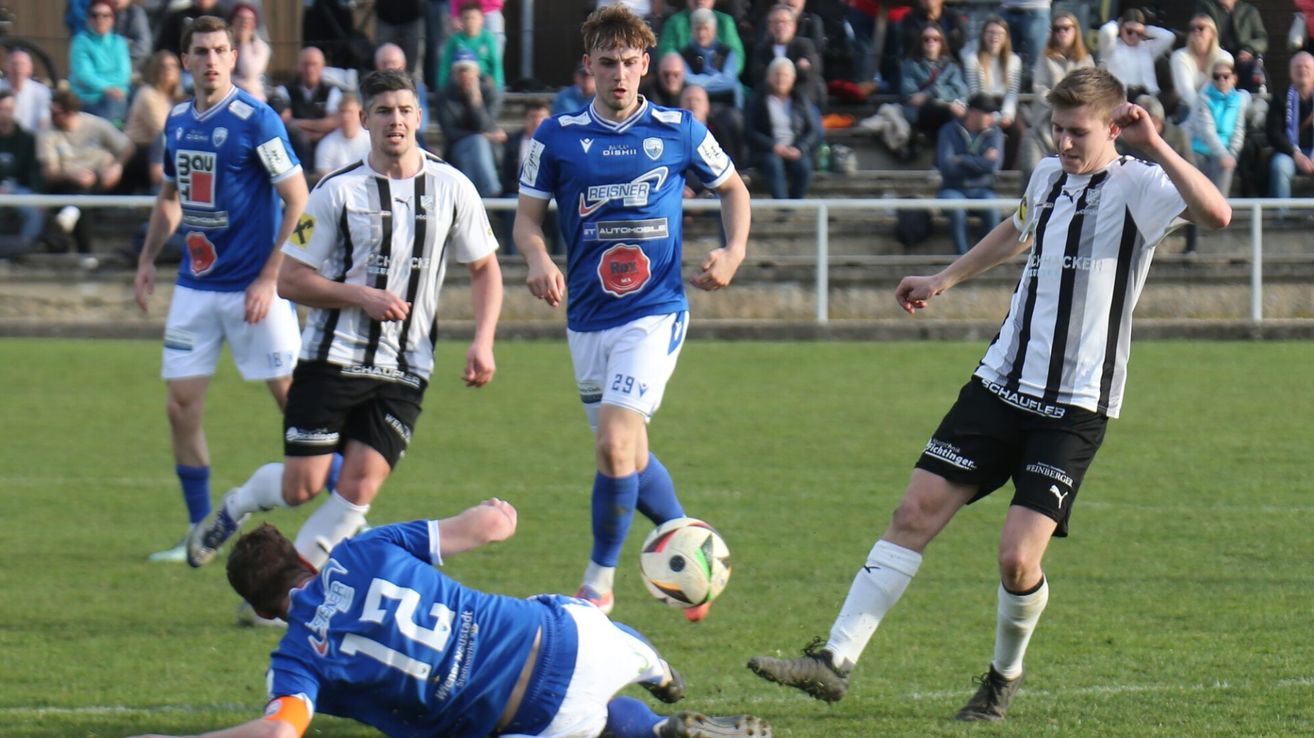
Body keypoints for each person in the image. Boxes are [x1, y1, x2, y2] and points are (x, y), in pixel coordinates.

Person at [747, 67, 1231, 721]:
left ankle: (1003, 678)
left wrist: (1158, 144)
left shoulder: (1141, 186)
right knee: (913, 512)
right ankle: (833, 660)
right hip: (1002, 381)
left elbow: (1217, 213)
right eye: (1055, 129)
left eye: (1077, 132)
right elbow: (1018, 230)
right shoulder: (1047, 175)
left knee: (1015, 557)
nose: (1062, 143)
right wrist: (944, 277)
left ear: (1116, 126)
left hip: (1074, 403)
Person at [185, 70, 503, 581]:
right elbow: (290, 280)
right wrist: (361, 297)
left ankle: (290, 597)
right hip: (333, 358)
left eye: (404, 110)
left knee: (359, 489)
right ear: (364, 120)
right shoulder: (336, 191)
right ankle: (238, 503)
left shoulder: (453, 188)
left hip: (406, 365)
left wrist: (482, 341)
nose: (395, 120)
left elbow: (485, 268)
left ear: (419, 117)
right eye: (383, 111)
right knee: (301, 487)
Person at [129, 499, 772, 738]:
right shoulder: (360, 548)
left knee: (574, 723)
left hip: (532, 721)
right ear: (302, 558)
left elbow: (279, 734)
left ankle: (657, 729)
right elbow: (490, 525)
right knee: (572, 615)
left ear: (267, 608)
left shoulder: (296, 658)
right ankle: (660, 682)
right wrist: (499, 513)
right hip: (570, 638)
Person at [514, 5, 751, 622]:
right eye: (607, 63)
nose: (619, 74)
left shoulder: (680, 129)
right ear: (588, 66)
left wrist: (733, 249)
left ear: (646, 65)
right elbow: (526, 221)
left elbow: (733, 189)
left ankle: (597, 585)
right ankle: (686, 544)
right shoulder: (556, 136)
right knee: (628, 453)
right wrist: (538, 258)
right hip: (587, 318)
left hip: (654, 312)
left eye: (629, 63)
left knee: (616, 443)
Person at [133, 15, 308, 564]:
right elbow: (169, 196)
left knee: (297, 405)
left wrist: (270, 276)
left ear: (234, 57)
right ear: (184, 61)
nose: (210, 60)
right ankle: (197, 531)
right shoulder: (178, 121)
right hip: (195, 285)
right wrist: (145, 260)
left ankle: (349, 512)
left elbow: (301, 202)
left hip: (254, 288)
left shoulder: (256, 120)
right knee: (179, 407)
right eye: (200, 51)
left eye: (219, 50)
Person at [38, 90, 134, 258]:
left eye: (56, 113)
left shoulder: (95, 124)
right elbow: (49, 173)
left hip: (98, 179)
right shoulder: (48, 133)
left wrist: (117, 167)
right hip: (64, 183)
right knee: (81, 198)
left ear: (69, 112)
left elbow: (127, 147)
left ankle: (68, 220)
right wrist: (71, 176)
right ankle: (86, 252)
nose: (51, 116)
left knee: (85, 189)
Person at [1016, 11, 1093, 180]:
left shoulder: (1086, 60)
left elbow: (1090, 92)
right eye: (1057, 29)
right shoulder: (1044, 58)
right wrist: (1064, 102)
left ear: (1076, 31)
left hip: (1076, 130)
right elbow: (1040, 89)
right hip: (1043, 127)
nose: (1061, 33)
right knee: (1032, 173)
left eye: (1066, 28)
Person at [936, 94, 1002, 256]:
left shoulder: (995, 133)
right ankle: (962, 259)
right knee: (956, 208)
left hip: (983, 189)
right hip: (953, 188)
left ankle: (987, 259)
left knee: (993, 208)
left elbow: (993, 166)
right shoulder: (948, 130)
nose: (991, 118)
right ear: (973, 113)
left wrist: (962, 160)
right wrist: (980, 162)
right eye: (987, 113)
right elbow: (947, 167)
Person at [745, 57, 818, 200]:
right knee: (773, 163)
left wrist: (800, 148)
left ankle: (795, 204)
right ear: (769, 77)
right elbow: (749, 131)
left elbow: (812, 131)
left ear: (792, 78)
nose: (780, 79)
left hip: (794, 149)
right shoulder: (758, 99)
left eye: (784, 75)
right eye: (776, 74)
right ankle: (782, 205)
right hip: (767, 151)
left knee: (804, 167)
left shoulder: (800, 99)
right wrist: (773, 146)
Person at [437, 49, 505, 197]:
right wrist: (481, 135)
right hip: (456, 148)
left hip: (488, 150)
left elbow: (485, 125)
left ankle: (470, 196)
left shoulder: (490, 93)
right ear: (454, 74)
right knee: (477, 142)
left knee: (474, 150)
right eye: (460, 71)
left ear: (477, 72)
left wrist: (476, 101)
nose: (464, 75)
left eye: (467, 70)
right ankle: (491, 190)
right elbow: (450, 133)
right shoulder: (445, 95)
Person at [123, 51, 184, 191]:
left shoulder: (177, 98)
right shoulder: (147, 94)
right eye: (163, 66)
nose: (168, 69)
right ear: (155, 70)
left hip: (162, 149)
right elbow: (163, 130)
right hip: (139, 150)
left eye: (172, 65)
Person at [900, 23, 968, 146]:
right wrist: (945, 96)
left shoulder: (951, 66)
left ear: (941, 42)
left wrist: (930, 93)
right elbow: (911, 96)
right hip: (920, 113)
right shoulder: (910, 64)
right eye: (926, 39)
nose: (930, 42)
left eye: (935, 39)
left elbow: (960, 91)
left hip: (948, 111)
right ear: (920, 42)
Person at [748, 5, 823, 110]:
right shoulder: (762, 49)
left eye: (784, 22)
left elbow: (808, 73)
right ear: (769, 26)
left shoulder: (805, 45)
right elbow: (758, 74)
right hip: (770, 100)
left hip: (800, 99)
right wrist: (795, 69)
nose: (780, 26)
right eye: (775, 22)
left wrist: (775, 74)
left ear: (793, 26)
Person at [68, 0, 132, 124]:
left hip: (115, 97)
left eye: (105, 15)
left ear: (112, 19)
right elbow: (85, 75)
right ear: (88, 19)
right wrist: (107, 88)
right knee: (112, 102)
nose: (100, 19)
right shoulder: (80, 42)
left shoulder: (119, 42)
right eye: (95, 15)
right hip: (87, 99)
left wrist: (109, 89)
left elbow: (124, 75)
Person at [1192, 60, 1248, 199]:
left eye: (1226, 76)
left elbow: (1238, 131)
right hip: (1201, 149)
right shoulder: (1203, 98)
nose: (1221, 80)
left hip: (1226, 151)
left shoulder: (1239, 100)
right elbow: (1207, 132)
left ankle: (1220, 212)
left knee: (1226, 167)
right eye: (1217, 76)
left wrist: (1232, 154)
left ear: (1234, 78)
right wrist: (1224, 155)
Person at [278, 47, 343, 167]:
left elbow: (334, 122)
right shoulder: (285, 90)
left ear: (322, 66)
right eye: (306, 64)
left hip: (325, 144)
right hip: (295, 146)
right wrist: (319, 127)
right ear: (299, 66)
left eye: (314, 64)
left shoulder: (331, 91)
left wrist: (299, 123)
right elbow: (285, 122)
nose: (310, 69)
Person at [0, 90, 45, 257]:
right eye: (1, 108)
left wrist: (39, 193)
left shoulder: (27, 138)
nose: (5, 113)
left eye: (9, 109)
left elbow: (34, 170)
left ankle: (24, 248)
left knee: (34, 211)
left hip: (19, 189)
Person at [1266, 52, 1314, 208]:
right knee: (1279, 166)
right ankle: (1282, 216)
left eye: (1307, 67)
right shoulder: (1281, 97)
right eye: (1298, 67)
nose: (1302, 70)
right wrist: (1296, 155)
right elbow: (1273, 133)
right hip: (1290, 153)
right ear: (1290, 72)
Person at [1097, 9, 1174, 100]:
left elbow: (1169, 37)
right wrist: (1117, 24)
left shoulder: (1147, 47)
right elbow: (1106, 32)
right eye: (1129, 31)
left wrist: (1146, 30)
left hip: (1147, 96)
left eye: (1138, 33)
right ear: (1121, 29)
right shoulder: (1111, 46)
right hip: (1120, 96)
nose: (1134, 36)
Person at [657, 0, 746, 77]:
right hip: (685, 86)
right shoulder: (674, 23)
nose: (699, 0)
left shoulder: (725, 22)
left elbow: (737, 59)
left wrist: (715, 79)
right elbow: (666, 56)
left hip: (723, 84)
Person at [1170, 14, 1233, 121]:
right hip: (1188, 109)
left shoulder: (1225, 57)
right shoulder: (1179, 56)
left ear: (1212, 33)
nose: (1196, 31)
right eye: (1192, 29)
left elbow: (1221, 89)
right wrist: (1204, 112)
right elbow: (1185, 91)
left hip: (1217, 107)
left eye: (1200, 28)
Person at [680, 8, 742, 109]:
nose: (701, 34)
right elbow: (687, 80)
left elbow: (730, 81)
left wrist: (700, 82)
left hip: (724, 104)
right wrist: (717, 78)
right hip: (694, 105)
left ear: (714, 30)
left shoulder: (727, 52)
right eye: (697, 29)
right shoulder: (684, 54)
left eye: (705, 29)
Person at [437, 2, 504, 90]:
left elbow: (496, 66)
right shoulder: (454, 40)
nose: (470, 21)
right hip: (459, 82)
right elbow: (445, 66)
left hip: (483, 82)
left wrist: (498, 89)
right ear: (461, 20)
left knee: (489, 85)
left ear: (482, 19)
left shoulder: (488, 39)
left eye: (474, 18)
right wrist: (441, 88)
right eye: (466, 18)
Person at [313, 92, 370, 181]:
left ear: (361, 115)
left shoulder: (371, 141)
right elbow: (324, 177)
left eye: (350, 112)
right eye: (343, 112)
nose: (346, 117)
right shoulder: (326, 144)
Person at [0, 49, 52, 134]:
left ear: (30, 68)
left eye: (22, 64)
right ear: (6, 67)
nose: (17, 68)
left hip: (31, 141)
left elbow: (44, 120)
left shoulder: (41, 91)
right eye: (14, 64)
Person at [230, 2, 270, 101]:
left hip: (251, 93)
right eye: (240, 19)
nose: (244, 23)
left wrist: (244, 43)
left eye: (249, 20)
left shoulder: (262, 47)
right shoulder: (224, 43)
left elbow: (249, 72)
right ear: (233, 20)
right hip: (227, 91)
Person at [374, 0, 425, 77]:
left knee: (413, 67)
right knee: (385, 63)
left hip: (412, 16)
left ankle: (412, 87)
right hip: (385, 17)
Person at [112, 0, 152, 71]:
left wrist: (116, 46)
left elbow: (143, 47)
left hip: (130, 68)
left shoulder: (135, 12)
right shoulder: (99, 12)